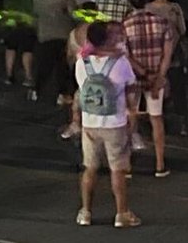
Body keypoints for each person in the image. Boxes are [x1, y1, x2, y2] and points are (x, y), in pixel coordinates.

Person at [75, 21, 141, 228]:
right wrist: (133, 114)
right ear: (107, 38)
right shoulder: (121, 63)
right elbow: (131, 89)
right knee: (118, 170)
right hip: (114, 122)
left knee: (90, 168)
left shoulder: (82, 62)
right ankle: (122, 213)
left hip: (89, 122)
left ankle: (85, 212)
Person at [123, 0, 176, 178]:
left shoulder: (125, 25)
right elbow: (167, 53)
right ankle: (160, 163)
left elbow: (126, 55)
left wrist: (143, 72)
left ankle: (127, 165)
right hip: (156, 77)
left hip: (133, 79)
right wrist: (158, 76)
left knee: (130, 119)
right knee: (156, 118)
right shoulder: (162, 23)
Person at [145, 0, 188, 136]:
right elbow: (182, 30)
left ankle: (156, 120)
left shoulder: (147, 8)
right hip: (174, 55)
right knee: (178, 88)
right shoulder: (174, 9)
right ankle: (183, 123)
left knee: (154, 89)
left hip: (153, 56)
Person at [33, 0, 76, 105]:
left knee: (43, 64)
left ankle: (37, 90)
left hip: (44, 33)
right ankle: (62, 94)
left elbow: (36, 12)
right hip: (63, 33)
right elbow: (73, 14)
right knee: (62, 67)